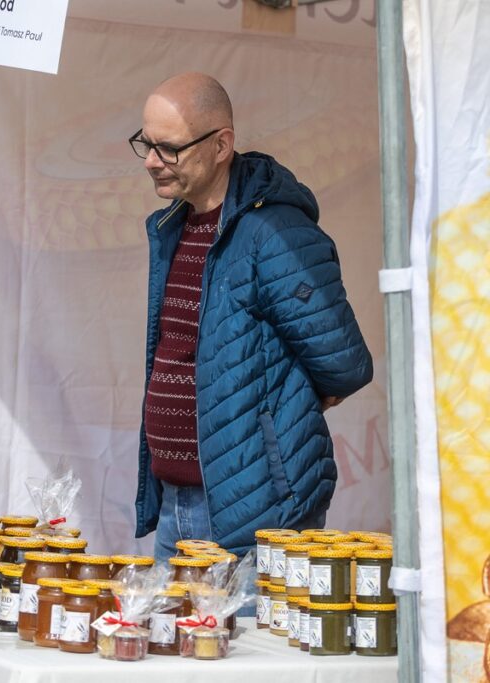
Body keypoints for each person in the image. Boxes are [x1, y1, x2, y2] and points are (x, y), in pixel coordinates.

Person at [131, 73, 374, 560]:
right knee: (169, 637)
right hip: (177, 499)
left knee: (239, 639)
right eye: (146, 144)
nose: (153, 162)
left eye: (169, 148)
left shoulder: (273, 232)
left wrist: (270, 413)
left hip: (254, 513)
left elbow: (345, 364)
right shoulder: (175, 223)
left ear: (221, 145)